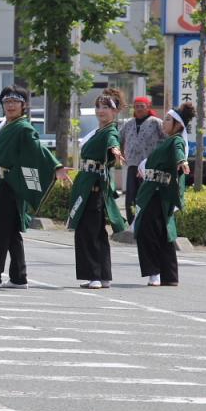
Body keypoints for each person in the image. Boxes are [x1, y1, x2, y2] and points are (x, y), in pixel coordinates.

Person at [0, 85, 69, 290]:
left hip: (11, 185)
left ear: (23, 105)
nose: (10, 105)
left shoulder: (23, 127)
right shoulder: (7, 125)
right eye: (7, 102)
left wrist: (56, 166)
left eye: (15, 102)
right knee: (12, 233)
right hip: (3, 183)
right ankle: (19, 277)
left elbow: (37, 148)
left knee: (2, 232)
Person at [68, 89, 126, 290]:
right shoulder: (97, 131)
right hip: (87, 185)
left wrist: (116, 151)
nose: (101, 111)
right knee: (94, 232)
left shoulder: (110, 131)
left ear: (116, 111)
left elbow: (113, 143)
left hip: (94, 188)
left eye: (106, 107)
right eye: (98, 106)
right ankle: (102, 275)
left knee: (90, 232)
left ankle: (95, 275)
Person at [134, 101, 195, 287]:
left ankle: (155, 272)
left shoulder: (176, 140)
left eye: (168, 119)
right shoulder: (167, 141)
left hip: (159, 193)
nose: (164, 122)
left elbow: (179, 153)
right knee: (162, 233)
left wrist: (182, 162)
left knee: (147, 230)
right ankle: (169, 275)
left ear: (178, 125)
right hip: (155, 191)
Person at [119, 96, 166, 224]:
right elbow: (119, 139)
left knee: (146, 194)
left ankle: (145, 221)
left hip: (149, 166)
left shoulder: (156, 122)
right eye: (136, 106)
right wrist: (121, 154)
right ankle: (131, 222)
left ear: (148, 107)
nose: (138, 109)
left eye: (142, 106)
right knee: (131, 196)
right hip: (133, 164)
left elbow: (167, 139)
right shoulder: (128, 123)